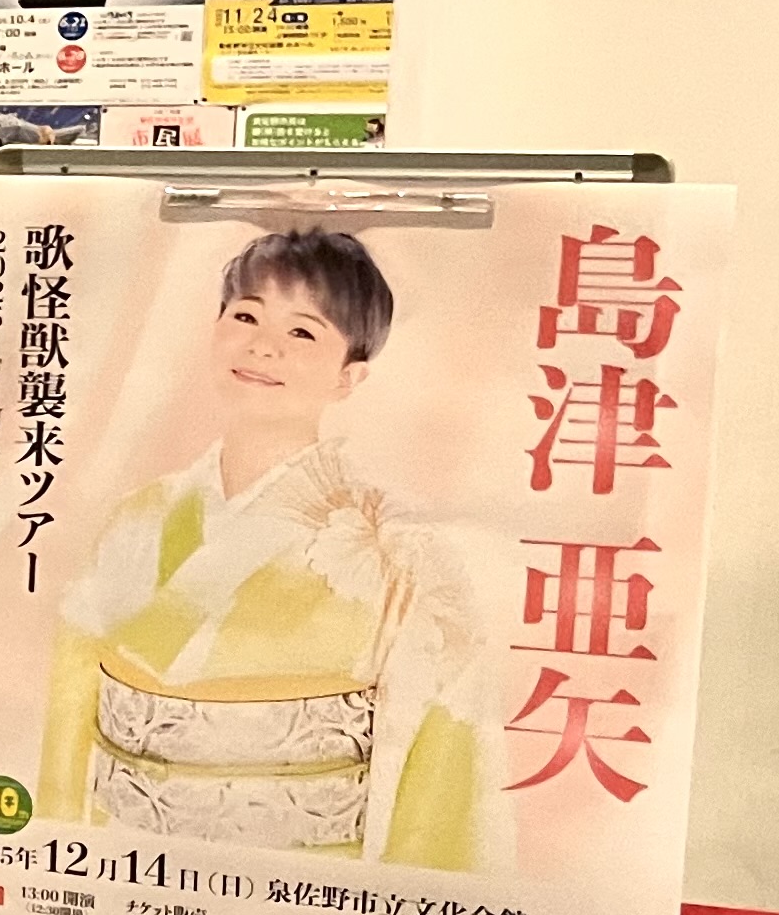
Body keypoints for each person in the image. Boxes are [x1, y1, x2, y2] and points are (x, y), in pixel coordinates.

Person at [38, 228, 501, 869]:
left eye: (302, 332)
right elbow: (71, 711)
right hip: (130, 863)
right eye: (246, 316)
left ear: (349, 376)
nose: (262, 346)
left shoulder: (399, 550)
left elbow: (442, 757)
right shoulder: (138, 517)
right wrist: (60, 855)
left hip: (306, 884)